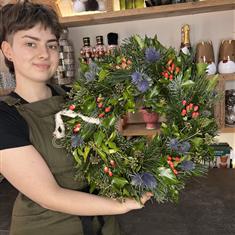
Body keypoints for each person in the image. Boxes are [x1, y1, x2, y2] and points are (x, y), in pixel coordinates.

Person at [0, 1, 152, 235]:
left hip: (104, 225)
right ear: (8, 50)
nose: (44, 54)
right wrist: (122, 204)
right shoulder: (5, 117)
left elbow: (106, 156)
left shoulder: (77, 97)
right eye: (30, 43)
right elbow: (50, 196)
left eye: (51, 45)